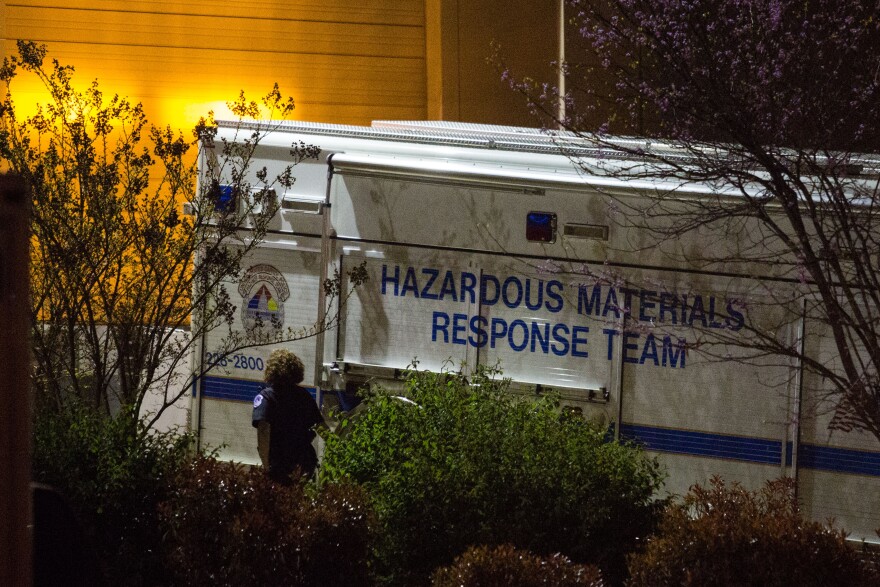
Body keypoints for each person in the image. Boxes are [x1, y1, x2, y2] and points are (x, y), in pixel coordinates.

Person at [252, 349, 324, 483]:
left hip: (279, 462)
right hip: (304, 461)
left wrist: (265, 464)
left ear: (271, 371)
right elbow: (321, 427)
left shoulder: (267, 397)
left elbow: (263, 430)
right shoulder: (304, 396)